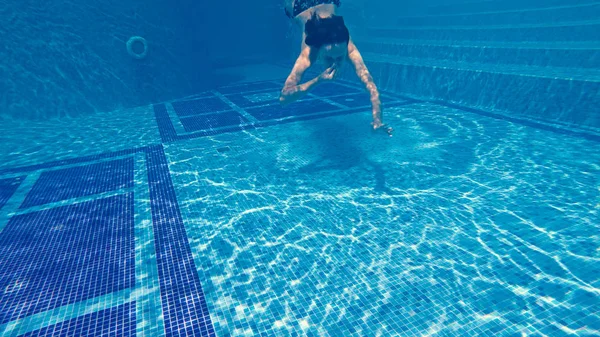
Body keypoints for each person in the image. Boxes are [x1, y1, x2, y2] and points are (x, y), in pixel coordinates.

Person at [280, 0, 393, 136]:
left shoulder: (349, 49)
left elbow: (371, 87)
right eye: (329, 58)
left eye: (339, 57)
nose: (335, 64)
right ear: (319, 51)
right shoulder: (308, 54)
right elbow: (283, 98)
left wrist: (377, 120)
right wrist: (318, 79)